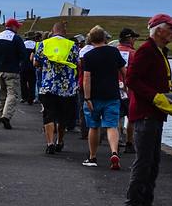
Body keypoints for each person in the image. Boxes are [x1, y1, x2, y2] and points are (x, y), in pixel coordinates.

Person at [122, 14, 172, 206]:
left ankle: (146, 202)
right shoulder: (146, 51)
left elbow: (158, 79)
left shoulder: (159, 52)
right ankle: (132, 204)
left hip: (155, 113)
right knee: (144, 160)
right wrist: (154, 96)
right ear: (158, 30)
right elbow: (131, 79)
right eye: (170, 29)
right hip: (145, 113)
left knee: (153, 161)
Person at [81, 26, 126, 170]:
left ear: (91, 39)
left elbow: (86, 79)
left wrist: (87, 98)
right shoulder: (114, 52)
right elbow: (124, 71)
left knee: (94, 126)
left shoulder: (88, 56)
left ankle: (93, 156)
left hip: (94, 96)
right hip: (112, 94)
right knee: (112, 125)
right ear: (104, 38)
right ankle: (114, 152)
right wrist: (126, 86)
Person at [34, 23, 79, 154]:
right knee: (62, 117)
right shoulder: (72, 45)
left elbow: (36, 62)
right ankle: (59, 140)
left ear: (52, 31)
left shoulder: (44, 44)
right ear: (64, 31)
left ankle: (49, 143)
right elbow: (77, 62)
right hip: (66, 88)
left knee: (48, 115)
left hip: (48, 86)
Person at [0, 18, 25, 129]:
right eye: (17, 27)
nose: (18, 29)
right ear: (13, 27)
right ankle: (6, 116)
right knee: (12, 94)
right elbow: (23, 55)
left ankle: (0, 114)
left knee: (2, 94)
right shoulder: (16, 38)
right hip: (12, 70)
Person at [116, 28, 141, 153]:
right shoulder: (134, 54)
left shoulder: (114, 51)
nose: (135, 40)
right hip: (130, 90)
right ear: (129, 39)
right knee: (131, 118)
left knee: (117, 117)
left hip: (114, 89)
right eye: (134, 38)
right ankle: (129, 143)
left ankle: (117, 141)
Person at [19, 32, 37, 105]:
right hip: (32, 66)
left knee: (23, 82)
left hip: (23, 65)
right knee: (32, 82)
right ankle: (31, 98)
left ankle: (24, 97)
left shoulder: (22, 44)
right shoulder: (36, 44)